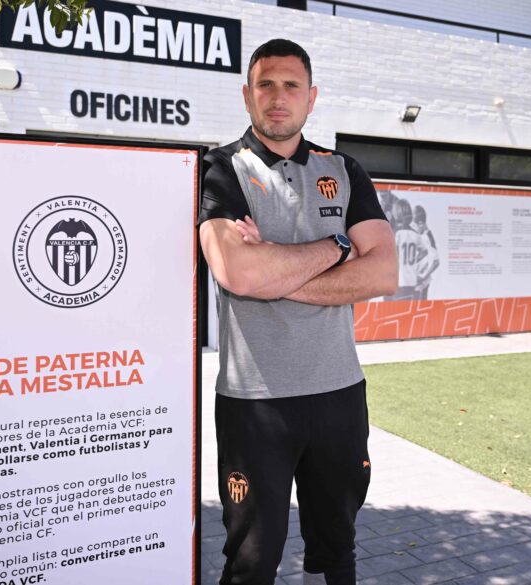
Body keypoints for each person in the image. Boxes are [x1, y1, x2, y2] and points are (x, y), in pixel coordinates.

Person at [197, 38, 398, 585]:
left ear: (312, 98)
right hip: (254, 403)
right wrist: (336, 247)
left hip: (339, 393)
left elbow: (382, 272)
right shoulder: (218, 168)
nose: (277, 97)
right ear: (247, 95)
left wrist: (276, 273)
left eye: (291, 86)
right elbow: (238, 274)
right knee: (251, 561)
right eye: (265, 84)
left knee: (336, 551)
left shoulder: (343, 168)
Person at [385, 198, 428, 301]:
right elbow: (424, 251)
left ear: (396, 215)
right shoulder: (415, 234)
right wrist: (413, 259)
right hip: (412, 281)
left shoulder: (395, 234)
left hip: (398, 281)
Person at [411, 204, 439, 300]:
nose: (411, 228)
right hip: (413, 283)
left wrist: (422, 277)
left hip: (421, 285)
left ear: (421, 224)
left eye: (413, 225)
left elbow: (436, 262)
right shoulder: (416, 236)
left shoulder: (428, 238)